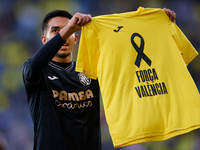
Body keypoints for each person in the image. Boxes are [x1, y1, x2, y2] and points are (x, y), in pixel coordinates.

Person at [22, 8, 176, 150]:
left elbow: (134, 63)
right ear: (44, 40)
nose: (64, 35)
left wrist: (158, 27)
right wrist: (69, 28)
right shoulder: (36, 71)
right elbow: (35, 65)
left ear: (76, 39)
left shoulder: (92, 69)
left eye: (68, 30)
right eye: (55, 31)